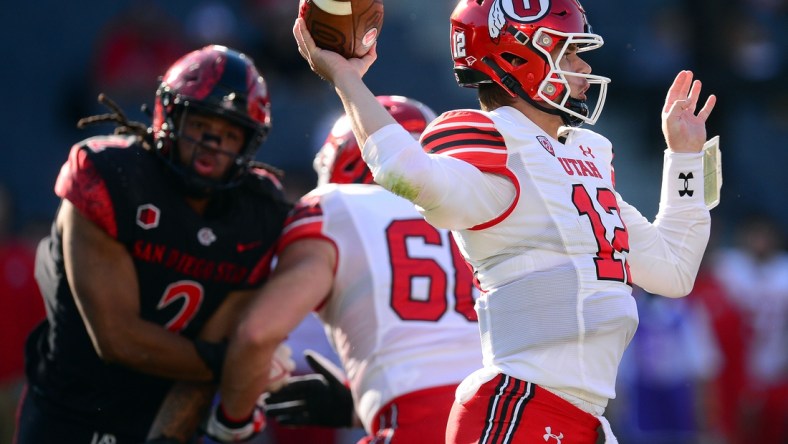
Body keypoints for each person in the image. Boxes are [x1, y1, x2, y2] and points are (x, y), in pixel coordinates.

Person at [292, 0, 719, 442]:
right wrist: (346, 79)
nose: (583, 65)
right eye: (568, 52)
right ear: (519, 59)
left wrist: (685, 159)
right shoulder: (495, 140)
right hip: (520, 406)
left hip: (582, 418)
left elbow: (673, 270)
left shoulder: (586, 153)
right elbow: (406, 172)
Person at [15, 44, 293, 444]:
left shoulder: (257, 213)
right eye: (201, 126)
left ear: (249, 144)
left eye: (231, 134)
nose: (213, 146)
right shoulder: (110, 177)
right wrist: (238, 363)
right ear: (170, 115)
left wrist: (168, 437)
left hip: (156, 412)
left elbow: (208, 355)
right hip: (69, 406)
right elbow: (117, 339)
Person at [204, 95, 484, 444]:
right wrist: (357, 404)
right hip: (519, 419)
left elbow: (258, 334)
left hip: (416, 423)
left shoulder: (338, 207)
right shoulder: (482, 212)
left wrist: (231, 420)